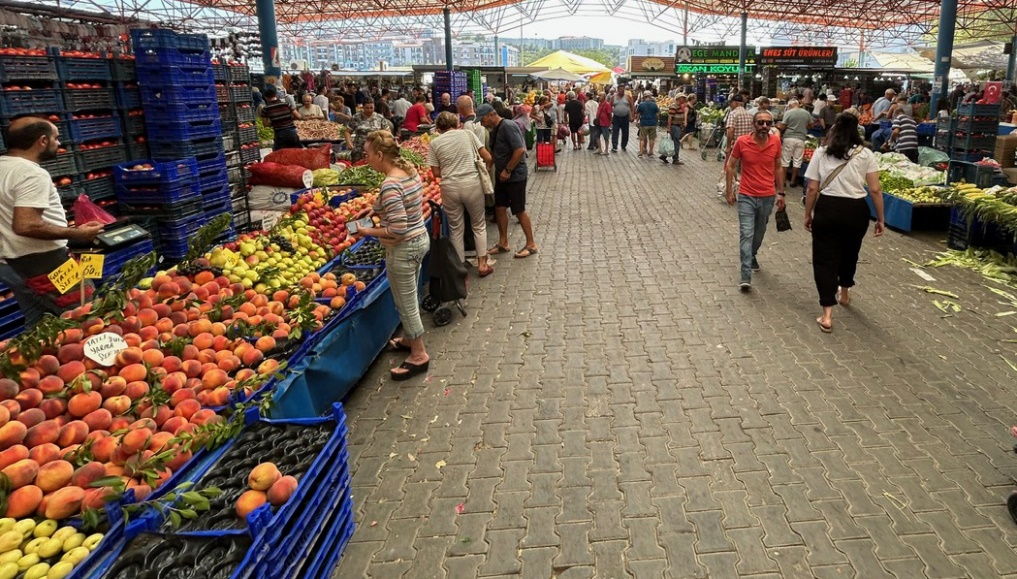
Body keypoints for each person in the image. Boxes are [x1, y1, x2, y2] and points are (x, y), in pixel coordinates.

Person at [0, 118, 104, 326]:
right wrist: (78, 233)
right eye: (56, 138)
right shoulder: (31, 173)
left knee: (39, 327)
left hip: (9, 264)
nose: (59, 144)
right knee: (89, 317)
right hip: (46, 263)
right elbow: (25, 225)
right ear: (42, 141)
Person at [356, 130, 431, 380]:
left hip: (404, 248)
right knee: (411, 295)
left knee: (405, 301)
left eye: (367, 154)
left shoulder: (390, 184)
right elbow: (405, 202)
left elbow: (397, 229)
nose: (366, 159)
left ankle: (419, 355)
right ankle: (411, 339)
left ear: (379, 154)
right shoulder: (408, 169)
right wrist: (375, 207)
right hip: (420, 239)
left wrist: (366, 230)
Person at [804, 113, 885, 333]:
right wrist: (880, 218)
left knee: (824, 259)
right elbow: (875, 189)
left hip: (828, 208)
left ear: (834, 128)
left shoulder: (822, 153)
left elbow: (812, 188)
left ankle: (827, 314)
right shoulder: (866, 153)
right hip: (856, 210)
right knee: (850, 252)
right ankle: (845, 291)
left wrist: (807, 213)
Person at [428, 112, 494, 277]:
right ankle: (482, 264)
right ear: (456, 123)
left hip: (449, 187)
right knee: (478, 224)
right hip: (471, 183)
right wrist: (485, 170)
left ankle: (460, 269)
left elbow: (435, 172)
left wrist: (451, 171)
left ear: (438, 127)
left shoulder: (435, 143)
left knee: (456, 228)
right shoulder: (468, 134)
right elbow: (487, 156)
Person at [725, 111, 785, 291]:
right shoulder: (742, 141)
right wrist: (730, 190)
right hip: (746, 196)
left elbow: (778, 167)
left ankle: (752, 255)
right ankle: (745, 275)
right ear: (754, 124)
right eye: (760, 123)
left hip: (768, 196)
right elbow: (730, 165)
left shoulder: (775, 142)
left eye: (768, 123)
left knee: (759, 234)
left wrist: (781, 193)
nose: (764, 126)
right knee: (746, 233)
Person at [479, 104, 537, 259]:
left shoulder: (508, 126)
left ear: (491, 114)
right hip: (501, 176)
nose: (482, 123)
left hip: (515, 175)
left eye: (483, 119)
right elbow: (493, 152)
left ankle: (531, 244)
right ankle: (503, 243)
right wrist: (488, 166)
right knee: (499, 208)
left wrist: (508, 170)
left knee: (518, 209)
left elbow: (520, 150)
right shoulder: (493, 131)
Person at [777, 100, 811, 191]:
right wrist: (803, 127)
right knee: (797, 160)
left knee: (785, 160)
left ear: (790, 105)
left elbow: (783, 126)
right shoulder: (806, 113)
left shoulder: (788, 113)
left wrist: (779, 126)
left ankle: (783, 181)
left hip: (789, 138)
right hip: (801, 139)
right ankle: (792, 181)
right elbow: (811, 125)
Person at [634, 91, 660, 159]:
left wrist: (637, 121)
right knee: (652, 138)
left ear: (644, 97)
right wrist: (656, 121)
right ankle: (651, 152)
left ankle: (641, 152)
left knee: (642, 138)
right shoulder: (654, 105)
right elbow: (657, 114)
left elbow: (638, 114)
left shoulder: (641, 104)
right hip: (652, 123)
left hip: (644, 123)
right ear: (650, 97)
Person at [660, 99, 685, 165]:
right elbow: (670, 117)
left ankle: (664, 156)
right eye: (683, 98)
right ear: (679, 98)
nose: (684, 100)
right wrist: (668, 127)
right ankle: (675, 159)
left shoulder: (679, 106)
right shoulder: (674, 106)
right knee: (676, 143)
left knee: (671, 142)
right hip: (674, 127)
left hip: (677, 126)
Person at [610, 86, 634, 153]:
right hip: (616, 117)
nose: (622, 91)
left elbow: (632, 106)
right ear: (618, 90)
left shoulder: (627, 97)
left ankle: (623, 146)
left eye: (623, 90)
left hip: (625, 117)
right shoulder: (613, 97)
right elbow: (609, 107)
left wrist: (632, 116)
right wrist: (610, 117)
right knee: (615, 132)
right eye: (621, 90)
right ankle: (614, 146)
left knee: (625, 132)